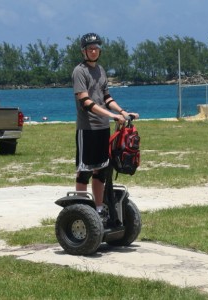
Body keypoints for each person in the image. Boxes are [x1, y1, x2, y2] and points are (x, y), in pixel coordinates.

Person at [72, 32, 139, 213]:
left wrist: (123, 112)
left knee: (101, 170)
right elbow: (85, 102)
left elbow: (107, 98)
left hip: (103, 128)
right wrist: (111, 116)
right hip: (87, 129)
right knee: (84, 170)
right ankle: (81, 210)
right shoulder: (80, 71)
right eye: (90, 49)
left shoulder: (100, 70)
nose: (93, 52)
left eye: (96, 48)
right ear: (83, 51)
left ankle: (99, 208)